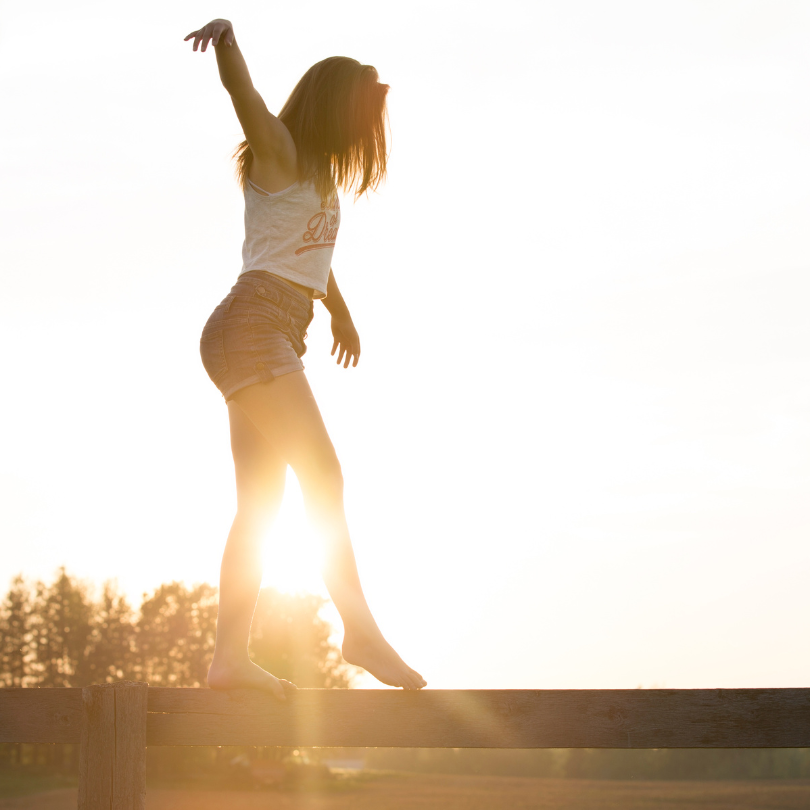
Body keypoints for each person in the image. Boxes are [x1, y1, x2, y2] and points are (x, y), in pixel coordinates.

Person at [184, 18, 425, 699]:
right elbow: (245, 97)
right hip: (251, 325)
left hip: (269, 332)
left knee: (259, 505)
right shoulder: (280, 151)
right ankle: (361, 629)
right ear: (329, 107)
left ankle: (227, 660)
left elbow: (310, 256)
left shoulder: (316, 178)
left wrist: (339, 309)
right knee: (325, 473)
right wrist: (228, 44)